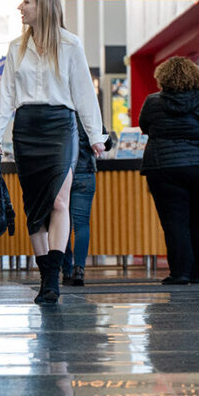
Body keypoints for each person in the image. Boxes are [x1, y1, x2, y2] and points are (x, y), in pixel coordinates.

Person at [0, 0, 107, 305]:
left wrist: (95, 136)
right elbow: (7, 96)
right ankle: (45, 277)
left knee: (58, 202)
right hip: (27, 128)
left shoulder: (71, 44)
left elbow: (84, 93)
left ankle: (53, 278)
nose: (20, 7)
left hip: (60, 127)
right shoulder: (16, 47)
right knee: (34, 209)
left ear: (44, 7)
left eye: (26, 2)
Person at [138, 56, 199, 285]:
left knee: (174, 223)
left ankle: (180, 273)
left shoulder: (153, 102)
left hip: (164, 168)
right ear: (195, 76)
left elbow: (144, 126)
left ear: (163, 78)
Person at [62, 122, 114, 287]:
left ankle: (67, 271)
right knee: (81, 224)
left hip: (62, 174)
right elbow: (107, 144)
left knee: (62, 223)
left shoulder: (59, 111)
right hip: (85, 173)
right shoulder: (89, 114)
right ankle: (79, 270)